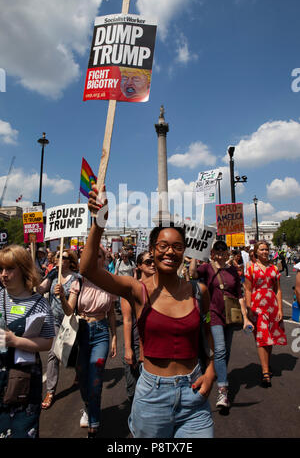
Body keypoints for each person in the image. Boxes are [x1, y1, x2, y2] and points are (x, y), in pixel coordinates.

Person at [80, 184, 216, 439]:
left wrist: (211, 371)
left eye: (177, 246)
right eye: (162, 246)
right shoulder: (137, 290)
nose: (170, 252)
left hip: (194, 394)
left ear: (184, 252)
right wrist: (98, 223)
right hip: (152, 396)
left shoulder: (199, 292)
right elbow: (87, 270)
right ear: (152, 251)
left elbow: (208, 334)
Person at [58, 245, 117, 438]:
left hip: (101, 333)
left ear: (104, 259)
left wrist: (114, 337)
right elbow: (69, 311)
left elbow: (110, 315)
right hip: (82, 332)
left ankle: (94, 424)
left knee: (96, 379)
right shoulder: (79, 281)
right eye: (91, 256)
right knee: (83, 379)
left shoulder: (110, 282)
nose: (94, 259)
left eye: (99, 255)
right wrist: (61, 297)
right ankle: (88, 405)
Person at [189, 240, 252, 413]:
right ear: (212, 253)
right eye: (218, 251)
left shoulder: (233, 270)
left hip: (231, 315)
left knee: (226, 352)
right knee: (220, 349)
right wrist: (194, 254)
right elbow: (193, 273)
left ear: (227, 253)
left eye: (224, 251)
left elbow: (239, 295)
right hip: (214, 313)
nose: (221, 254)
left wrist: (245, 317)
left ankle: (217, 371)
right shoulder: (207, 268)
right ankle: (223, 391)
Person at [0, 245, 55, 438]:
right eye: (1, 269)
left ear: (23, 269)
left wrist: (15, 341)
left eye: (9, 269)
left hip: (23, 382)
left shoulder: (39, 303)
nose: (4, 274)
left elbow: (48, 342)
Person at [38, 249, 80, 409]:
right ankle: (50, 391)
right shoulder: (52, 275)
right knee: (52, 354)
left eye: (65, 257)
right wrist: (33, 277)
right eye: (58, 256)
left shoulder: (77, 278)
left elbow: (72, 306)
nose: (61, 259)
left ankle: (79, 371)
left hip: (70, 321)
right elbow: (41, 289)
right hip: (54, 320)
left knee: (72, 352)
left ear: (70, 261)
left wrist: (62, 295)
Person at [244, 240, 287, 387]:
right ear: (256, 252)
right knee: (262, 337)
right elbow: (248, 290)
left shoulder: (274, 268)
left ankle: (266, 365)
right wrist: (248, 309)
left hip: (272, 306)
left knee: (270, 337)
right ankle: (265, 372)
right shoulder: (251, 269)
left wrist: (280, 308)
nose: (264, 252)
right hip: (258, 307)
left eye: (266, 249)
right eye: (261, 249)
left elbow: (278, 290)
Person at [121, 251, 156, 404]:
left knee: (151, 392)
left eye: (154, 261)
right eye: (148, 262)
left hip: (154, 345)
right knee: (133, 391)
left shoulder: (162, 288)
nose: (153, 264)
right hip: (136, 344)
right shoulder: (131, 289)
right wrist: (128, 349)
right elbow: (127, 320)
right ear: (140, 266)